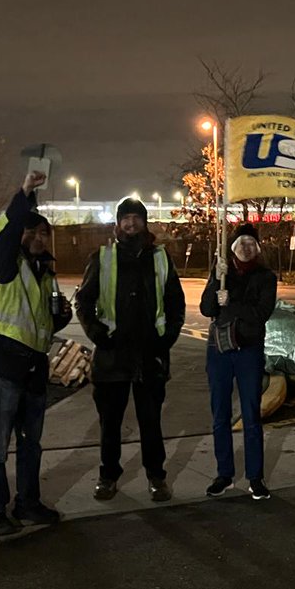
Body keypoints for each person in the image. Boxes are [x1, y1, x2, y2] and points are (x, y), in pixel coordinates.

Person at [0, 169, 72, 536]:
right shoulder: (2, 265)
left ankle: (28, 502)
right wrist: (25, 193)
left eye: (43, 232)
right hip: (4, 366)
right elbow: (7, 232)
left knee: (31, 445)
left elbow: (38, 323)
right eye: (29, 231)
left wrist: (60, 317)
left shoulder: (44, 272)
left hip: (33, 368)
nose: (36, 237)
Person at [76, 197, 186, 502]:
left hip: (150, 354)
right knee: (110, 424)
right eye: (126, 218)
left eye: (137, 217)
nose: (131, 223)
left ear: (145, 223)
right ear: (118, 224)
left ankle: (156, 477)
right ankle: (108, 476)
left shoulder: (161, 258)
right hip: (113, 355)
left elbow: (175, 302)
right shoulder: (102, 257)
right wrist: (97, 334)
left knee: (151, 423)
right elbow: (84, 302)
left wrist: (168, 337)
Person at [200, 222, 278, 500]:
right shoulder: (223, 273)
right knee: (220, 415)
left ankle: (255, 477)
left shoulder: (266, 277)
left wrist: (230, 302)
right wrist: (215, 280)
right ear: (232, 247)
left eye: (251, 243)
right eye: (241, 242)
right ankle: (224, 474)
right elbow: (207, 308)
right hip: (220, 351)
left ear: (258, 248)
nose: (246, 247)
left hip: (249, 351)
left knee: (251, 415)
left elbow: (260, 314)